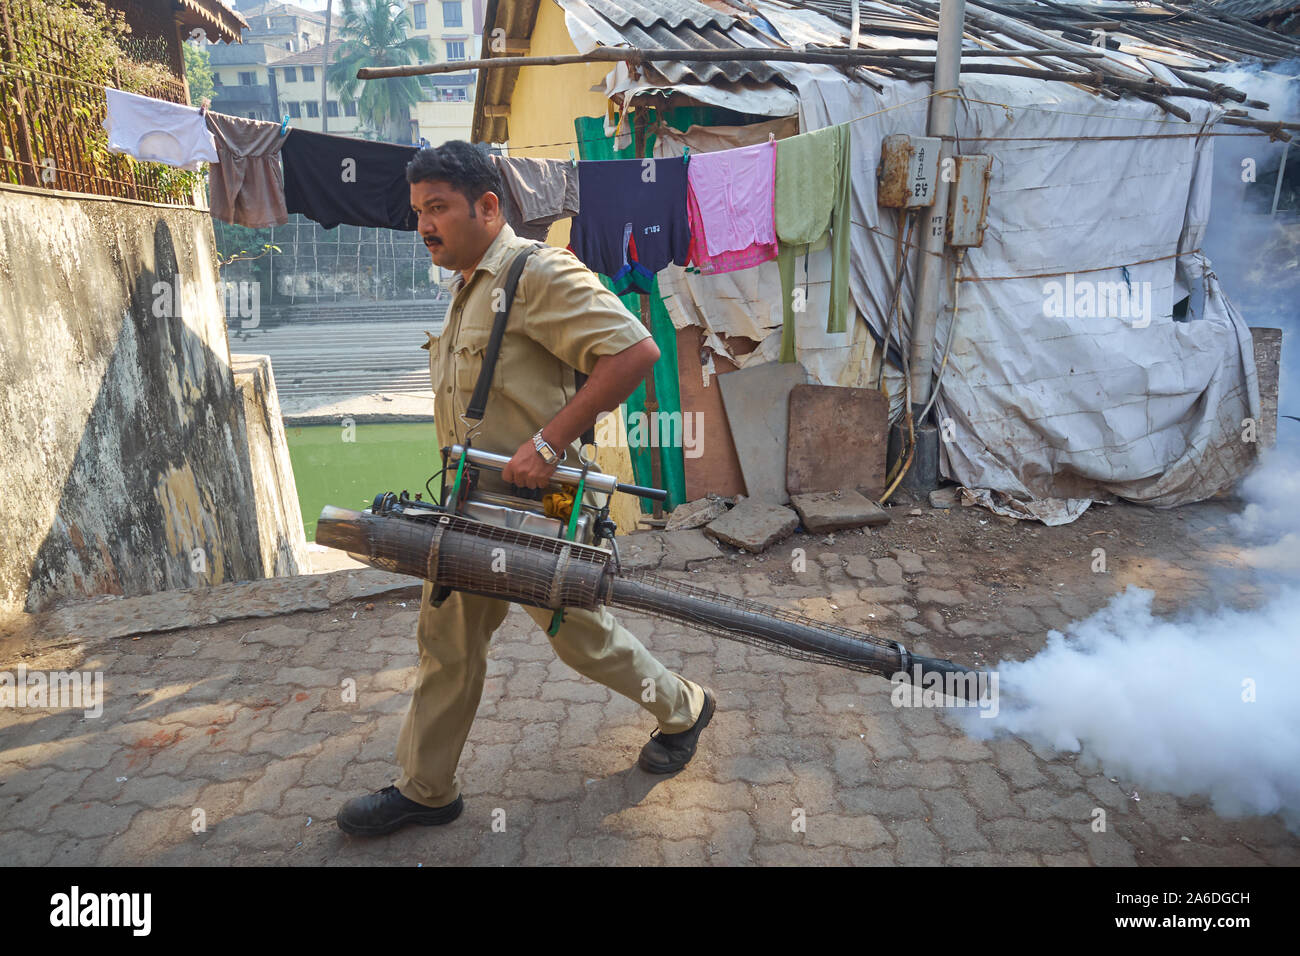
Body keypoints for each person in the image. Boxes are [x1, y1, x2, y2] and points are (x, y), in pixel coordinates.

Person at [336, 141, 715, 837]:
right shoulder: (468, 284)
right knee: (445, 642)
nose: (424, 225)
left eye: (438, 208)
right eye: (418, 210)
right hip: (466, 506)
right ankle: (426, 789)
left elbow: (635, 351)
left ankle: (684, 706)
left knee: (581, 639)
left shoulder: (534, 273)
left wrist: (545, 443)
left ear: (488, 206)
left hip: (543, 505)